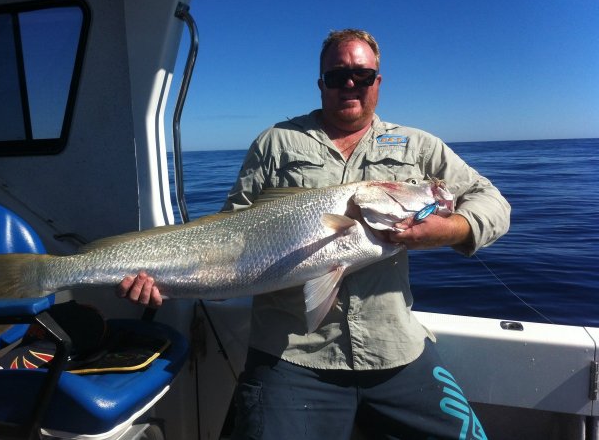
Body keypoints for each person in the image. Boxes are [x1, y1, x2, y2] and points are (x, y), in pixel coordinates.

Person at [118, 29, 510, 440]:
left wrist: (452, 229)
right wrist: (163, 276)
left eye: (362, 74)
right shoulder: (276, 143)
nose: (350, 85)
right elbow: (229, 230)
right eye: (338, 76)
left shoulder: (418, 145)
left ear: (378, 80)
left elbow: (492, 201)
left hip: (394, 348)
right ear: (321, 83)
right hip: (291, 355)